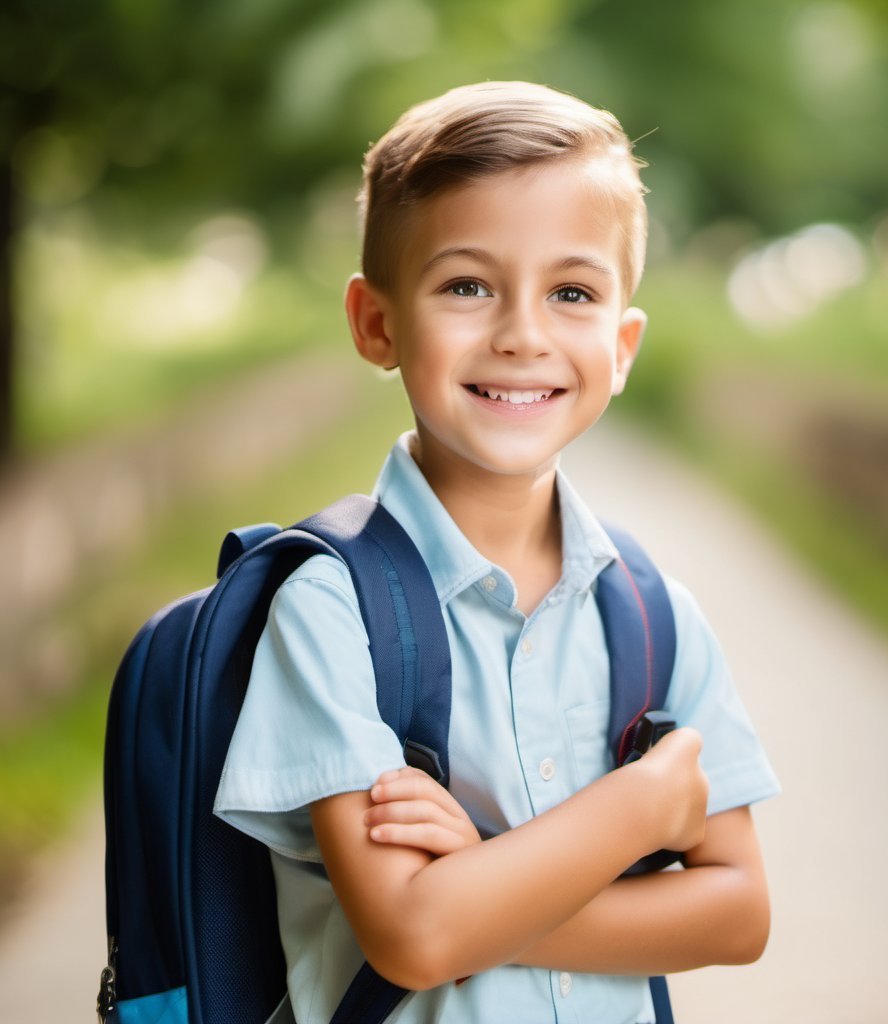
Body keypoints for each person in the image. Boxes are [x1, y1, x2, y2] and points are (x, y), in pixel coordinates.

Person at [214, 80, 780, 1024]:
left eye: (572, 291)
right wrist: (635, 815)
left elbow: (739, 912)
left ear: (623, 342)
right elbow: (414, 937)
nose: (522, 334)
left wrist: (479, 876)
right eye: (467, 286)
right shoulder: (330, 606)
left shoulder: (652, 615)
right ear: (377, 323)